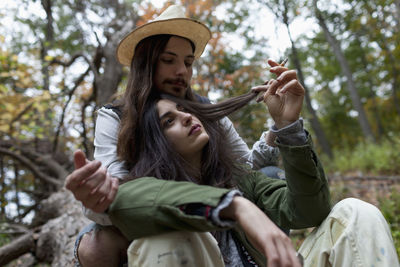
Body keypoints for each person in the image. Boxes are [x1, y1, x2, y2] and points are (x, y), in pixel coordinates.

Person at [106, 65, 400, 266]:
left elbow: (311, 210)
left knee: (354, 213)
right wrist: (234, 206)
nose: (185, 116)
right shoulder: (140, 191)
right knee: (167, 238)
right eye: (168, 121)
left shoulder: (239, 179)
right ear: (155, 143)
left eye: (184, 109)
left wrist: (287, 126)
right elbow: (123, 203)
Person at [65, 5, 284, 267]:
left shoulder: (206, 110)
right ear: (146, 63)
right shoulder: (115, 116)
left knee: (270, 174)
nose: (182, 71)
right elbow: (116, 188)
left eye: (188, 62)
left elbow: (246, 169)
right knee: (94, 244)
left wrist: (279, 124)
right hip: (149, 215)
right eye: (169, 60)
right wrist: (98, 197)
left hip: (216, 213)